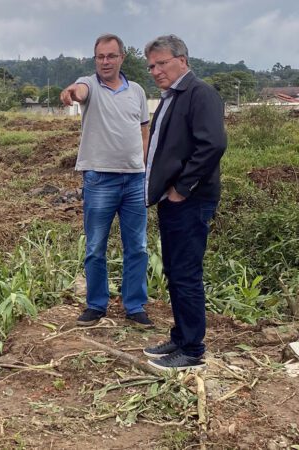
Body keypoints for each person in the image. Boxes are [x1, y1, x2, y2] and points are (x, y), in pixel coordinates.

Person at [141, 35, 226, 371]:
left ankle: (192, 350)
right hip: (173, 200)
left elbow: (213, 145)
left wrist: (182, 187)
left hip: (190, 200)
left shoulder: (199, 93)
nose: (156, 70)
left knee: (186, 273)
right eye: (151, 65)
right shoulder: (172, 97)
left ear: (182, 60)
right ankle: (180, 337)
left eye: (162, 63)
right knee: (176, 271)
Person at [60, 34, 152, 328]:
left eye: (111, 56)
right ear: (94, 59)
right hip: (100, 179)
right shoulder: (90, 84)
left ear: (122, 57)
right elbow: (80, 91)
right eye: (100, 57)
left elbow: (144, 130)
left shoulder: (136, 91)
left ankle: (135, 305)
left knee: (136, 246)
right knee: (96, 245)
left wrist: (143, 162)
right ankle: (96, 305)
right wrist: (72, 93)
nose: (106, 62)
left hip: (135, 180)